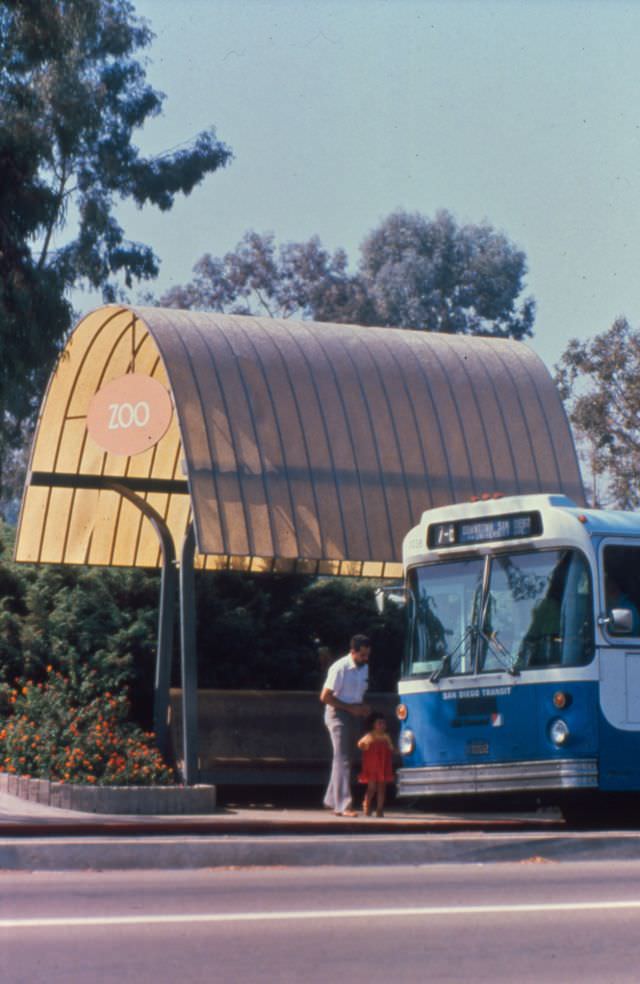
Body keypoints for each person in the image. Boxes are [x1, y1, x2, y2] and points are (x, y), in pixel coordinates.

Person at [320, 634, 371, 817]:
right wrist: (351, 708)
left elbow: (357, 694)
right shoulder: (340, 668)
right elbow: (325, 697)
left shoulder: (364, 668)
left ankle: (331, 800)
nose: (365, 659)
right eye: (362, 655)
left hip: (352, 713)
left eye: (367, 655)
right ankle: (343, 805)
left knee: (345, 757)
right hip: (337, 714)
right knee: (343, 758)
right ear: (353, 652)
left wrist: (361, 707)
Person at [357, 712, 395, 817]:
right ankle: (367, 804)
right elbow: (361, 744)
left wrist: (394, 750)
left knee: (382, 788)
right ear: (373, 725)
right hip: (373, 766)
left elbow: (391, 748)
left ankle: (379, 809)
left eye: (383, 723)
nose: (382, 725)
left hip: (383, 765)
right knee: (372, 787)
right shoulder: (370, 736)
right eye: (379, 723)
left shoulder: (386, 737)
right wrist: (363, 745)